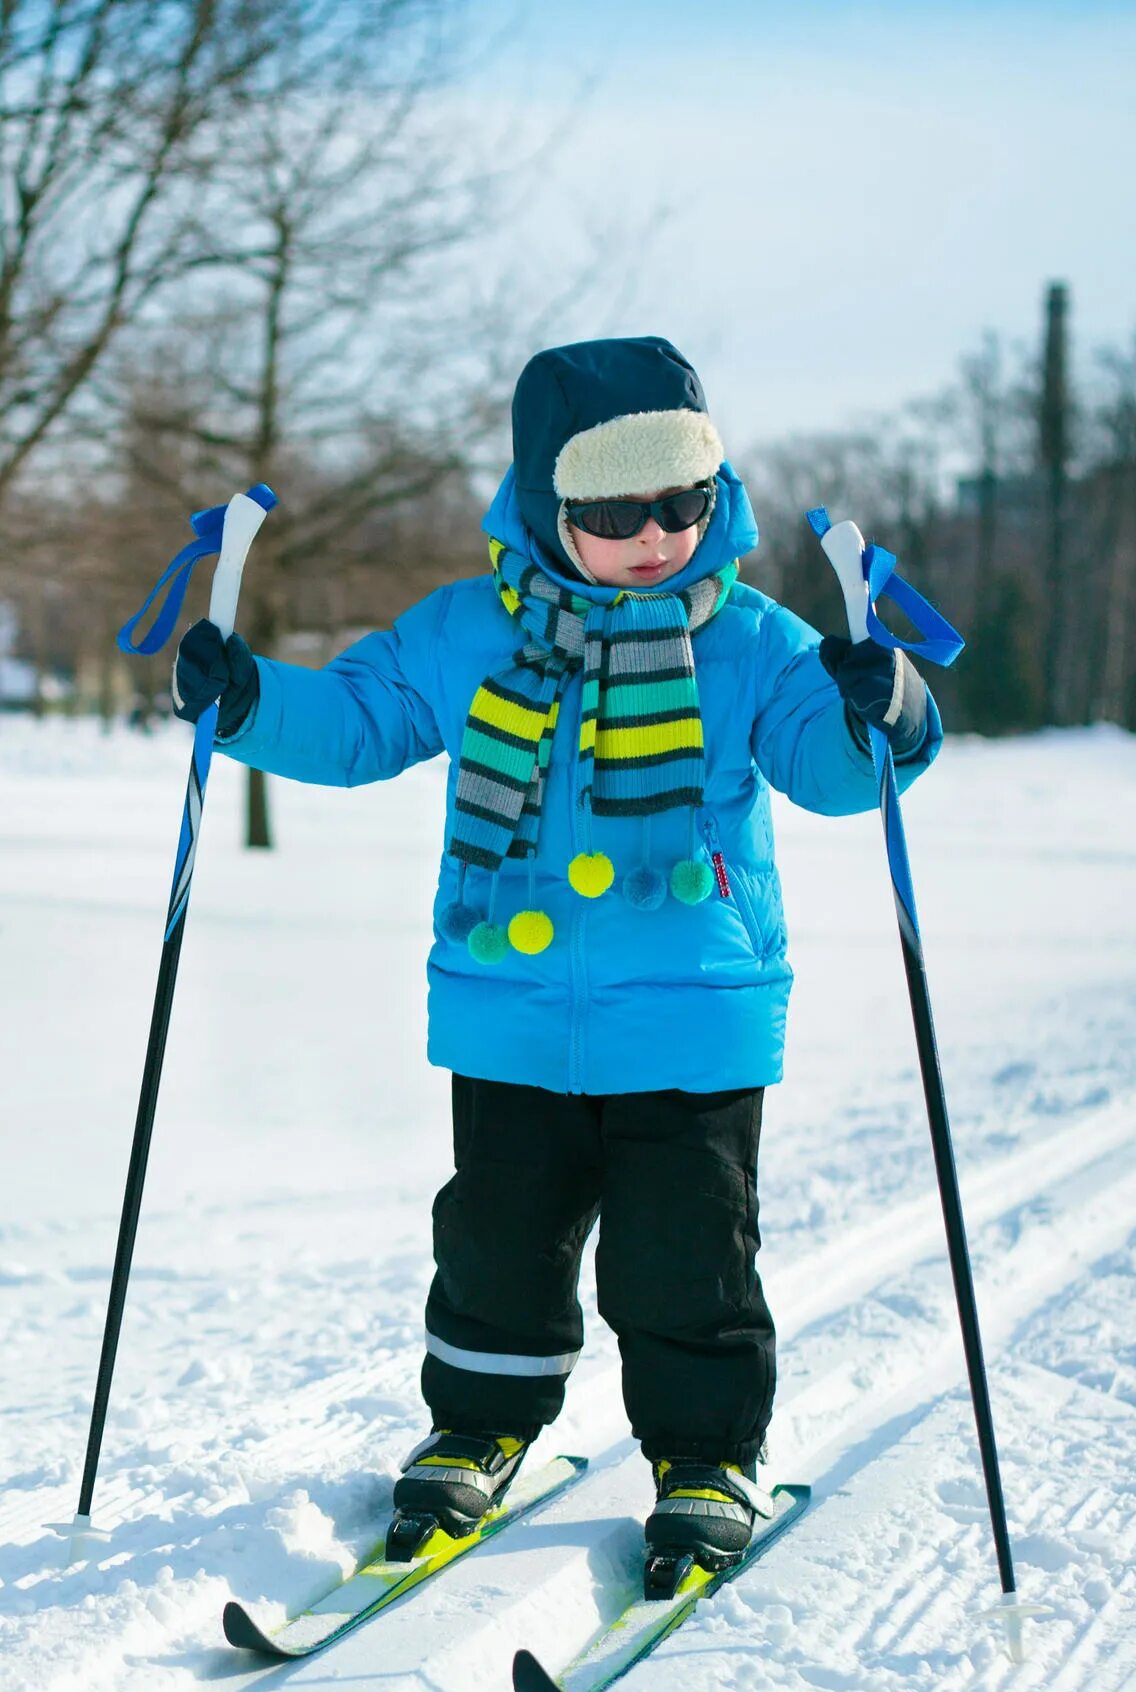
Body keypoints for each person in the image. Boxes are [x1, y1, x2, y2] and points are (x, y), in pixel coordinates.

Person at [172, 336, 938, 1587]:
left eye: (684, 503)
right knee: (495, 1246)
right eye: (615, 509)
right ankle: (479, 1425)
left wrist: (884, 705)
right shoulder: (472, 630)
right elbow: (363, 722)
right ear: (545, 504)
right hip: (512, 1012)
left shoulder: (748, 640)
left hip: (689, 1021)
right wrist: (248, 698)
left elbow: (841, 772)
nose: (656, 536)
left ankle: (705, 1453)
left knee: (683, 1257)